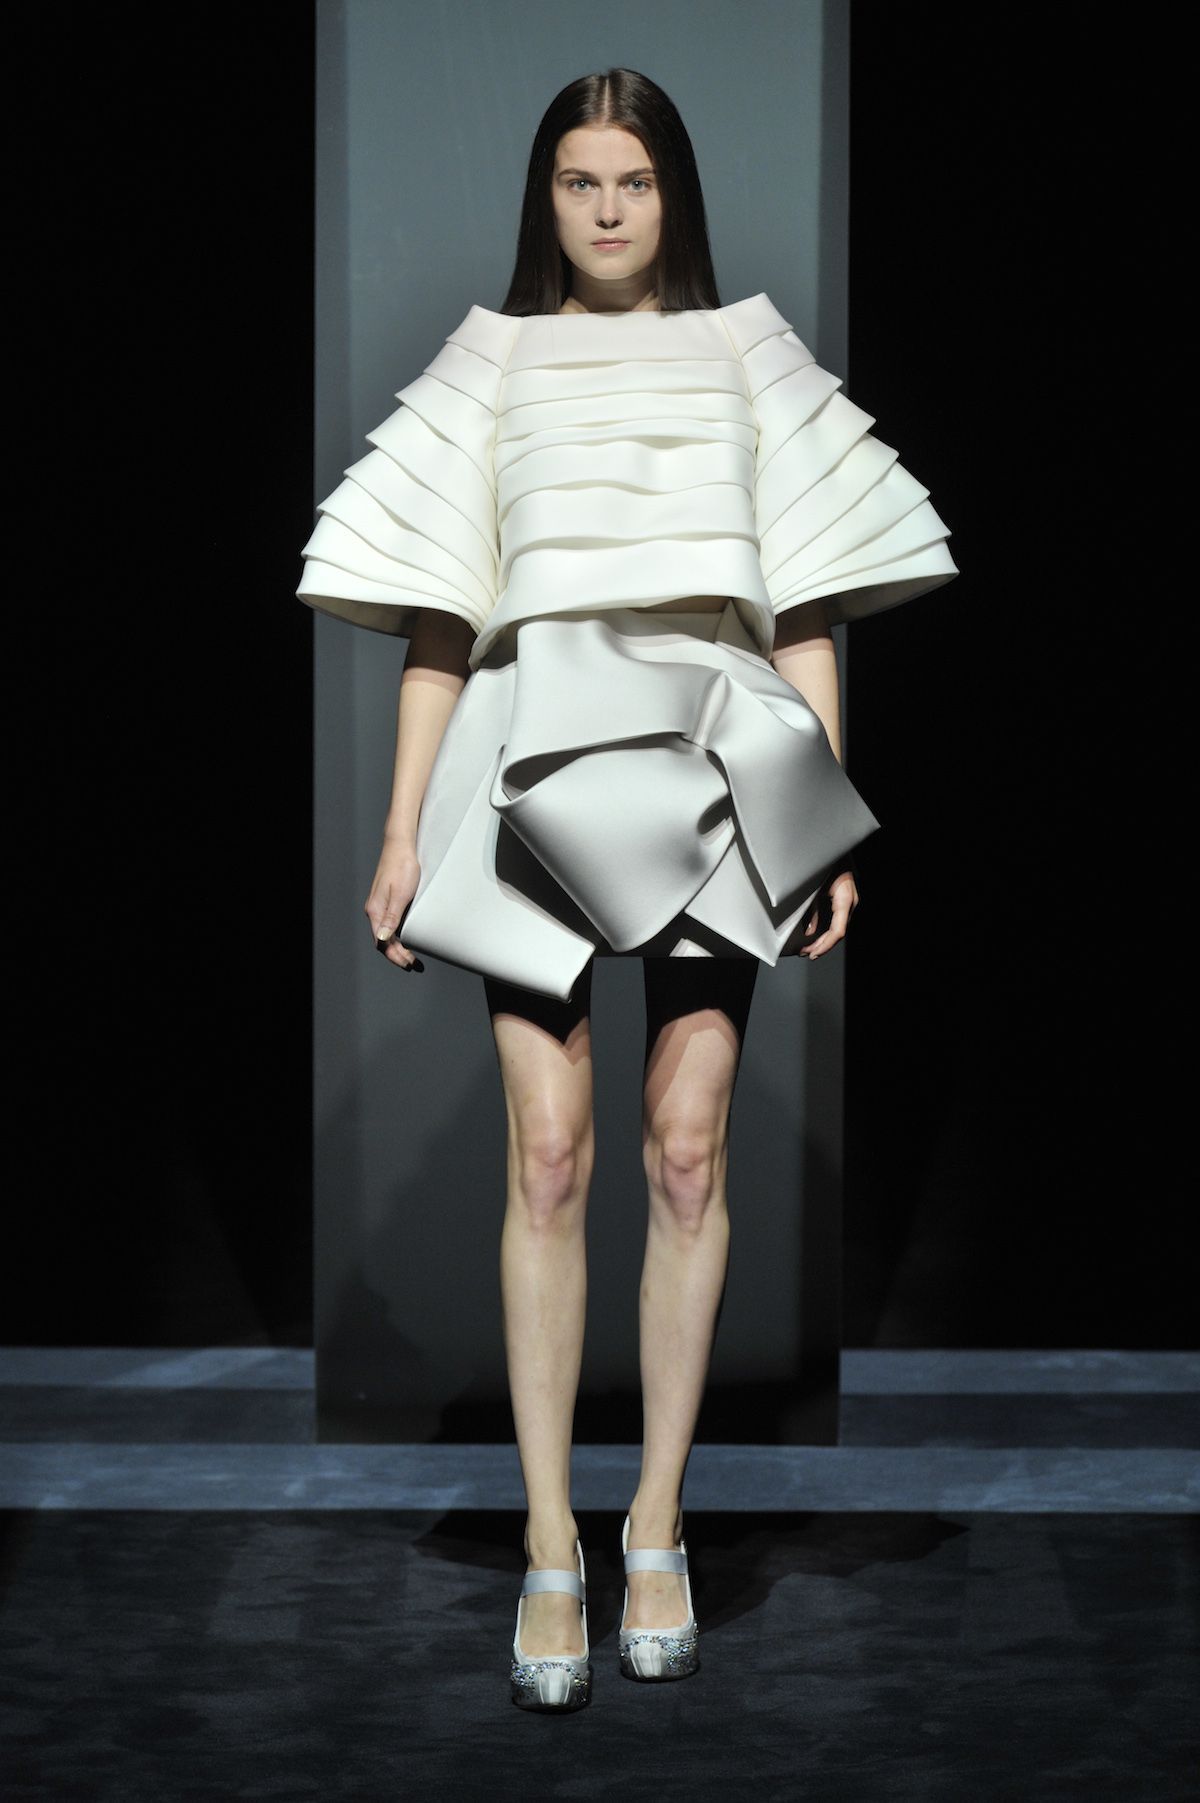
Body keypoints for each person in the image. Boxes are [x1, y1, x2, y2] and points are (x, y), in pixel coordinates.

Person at [298, 68, 957, 1714]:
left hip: (718, 758)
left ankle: (655, 1523)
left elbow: (805, 608)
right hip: (527, 759)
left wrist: (826, 821)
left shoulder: (748, 356)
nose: (606, 210)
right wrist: (400, 834)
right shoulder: (492, 365)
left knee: (683, 1149)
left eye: (635, 181)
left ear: (675, 196)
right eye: (580, 181)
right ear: (546, 196)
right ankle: (550, 1543)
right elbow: (440, 623)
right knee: (547, 1153)